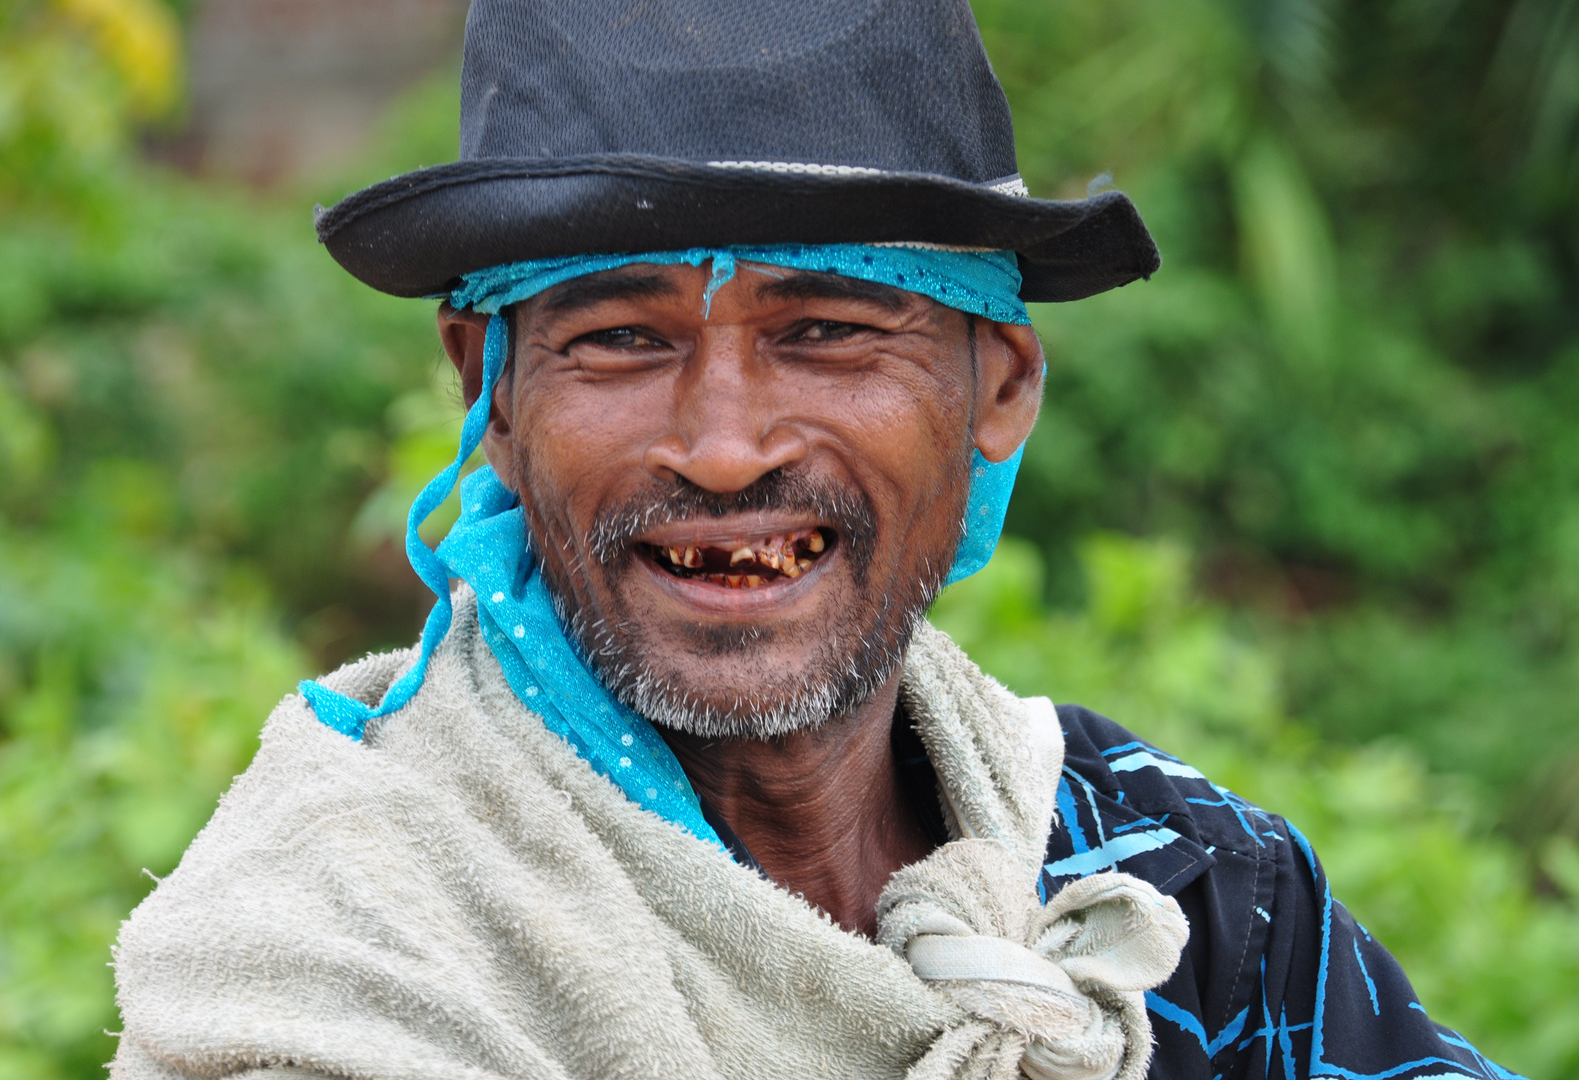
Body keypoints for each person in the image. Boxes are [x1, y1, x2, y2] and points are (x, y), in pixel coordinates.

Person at [109, 3, 1519, 1079]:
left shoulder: (1180, 885)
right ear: (485, 388)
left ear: (1000, 388)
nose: (725, 446)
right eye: (616, 338)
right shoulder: (342, 956)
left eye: (829, 332)